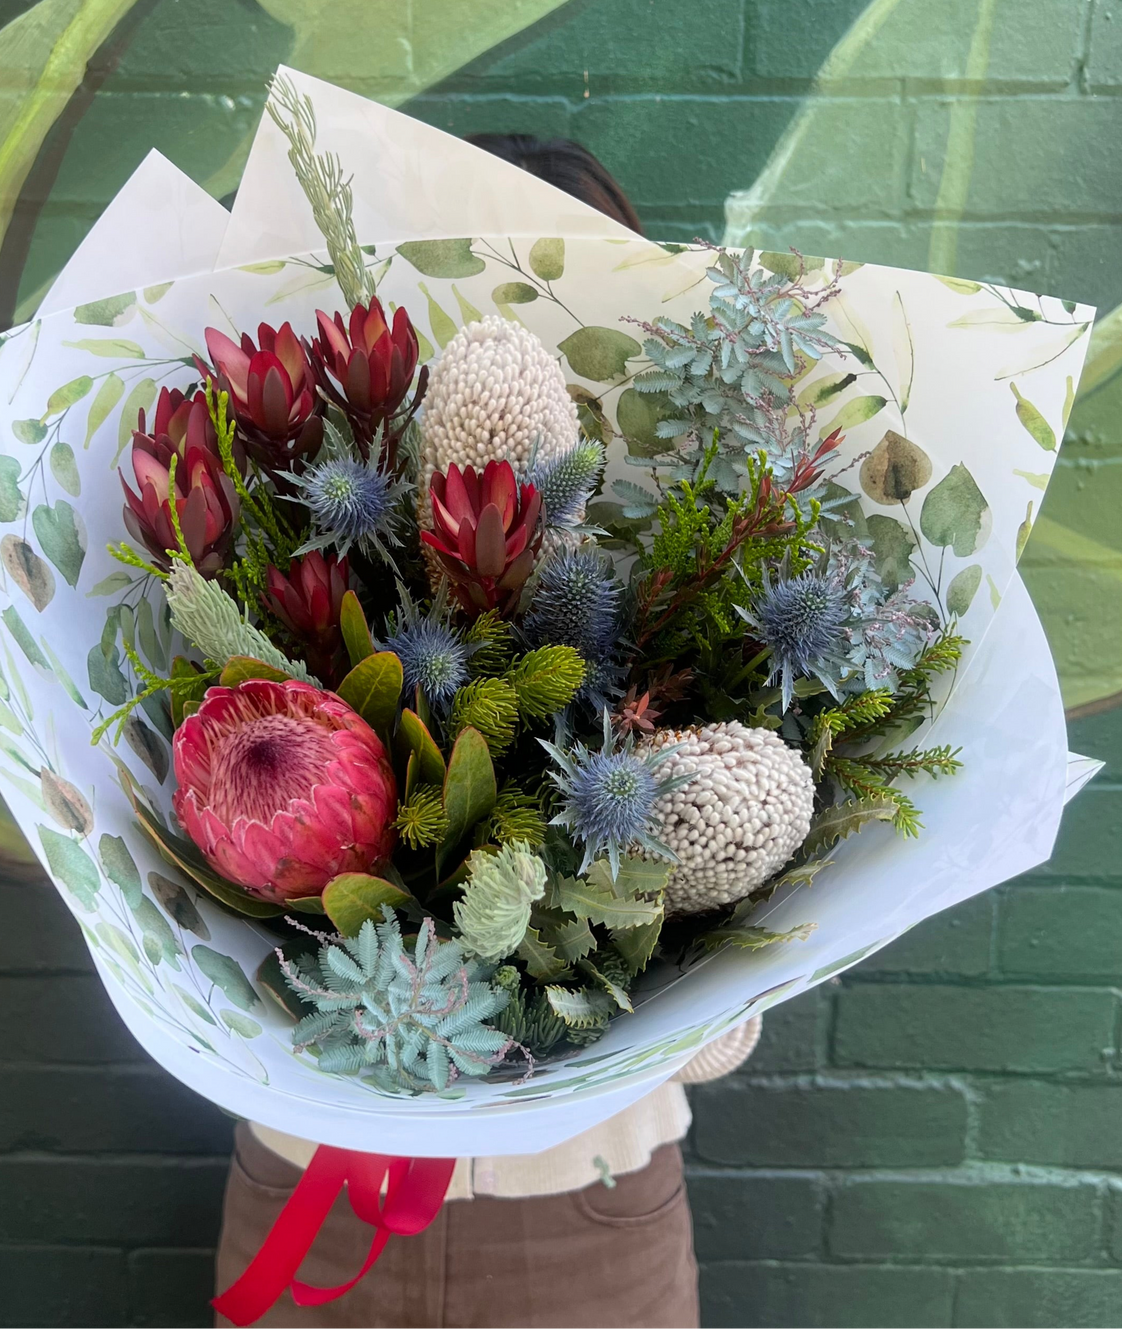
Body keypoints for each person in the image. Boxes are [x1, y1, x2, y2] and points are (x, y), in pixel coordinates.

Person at [214, 136, 757, 1329]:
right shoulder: (300, 544)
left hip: (585, 1207)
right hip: (316, 1180)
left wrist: (680, 983)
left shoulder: (682, 573)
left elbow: (736, 985)